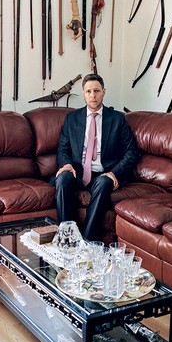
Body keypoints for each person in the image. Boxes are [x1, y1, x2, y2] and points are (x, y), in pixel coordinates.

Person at [55, 73, 140, 241]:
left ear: (104, 92)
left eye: (96, 91)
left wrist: (114, 173)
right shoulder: (72, 119)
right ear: (83, 93)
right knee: (62, 179)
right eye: (88, 91)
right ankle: (67, 237)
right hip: (78, 172)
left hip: (103, 173)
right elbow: (63, 148)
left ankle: (86, 241)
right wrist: (66, 165)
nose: (93, 95)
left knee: (103, 183)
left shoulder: (117, 119)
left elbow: (132, 152)